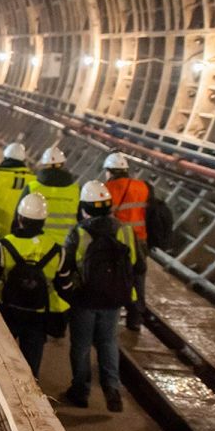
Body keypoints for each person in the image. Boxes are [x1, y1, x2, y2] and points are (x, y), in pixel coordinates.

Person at [55, 180, 144, 413]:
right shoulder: (125, 230)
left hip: (85, 299)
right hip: (114, 299)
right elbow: (136, 264)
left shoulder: (79, 232)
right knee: (108, 342)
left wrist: (66, 293)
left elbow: (66, 266)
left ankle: (81, 391)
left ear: (84, 207)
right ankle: (112, 388)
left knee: (82, 345)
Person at [0, 193, 69, 378]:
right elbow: (64, 286)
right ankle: (29, 393)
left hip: (6, 310)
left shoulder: (3, 246)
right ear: (43, 220)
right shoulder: (57, 249)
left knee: (1, 358)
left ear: (19, 218)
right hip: (38, 315)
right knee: (31, 365)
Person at [103, 152, 153, 331]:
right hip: (140, 239)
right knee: (138, 278)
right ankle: (136, 318)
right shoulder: (143, 187)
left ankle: (111, 313)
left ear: (110, 171)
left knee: (116, 276)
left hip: (119, 241)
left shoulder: (107, 188)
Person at [23, 146, 80, 248]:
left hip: (36, 242)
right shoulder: (76, 190)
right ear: (63, 164)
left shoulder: (32, 187)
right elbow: (81, 219)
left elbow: (20, 216)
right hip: (66, 244)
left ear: (44, 164)